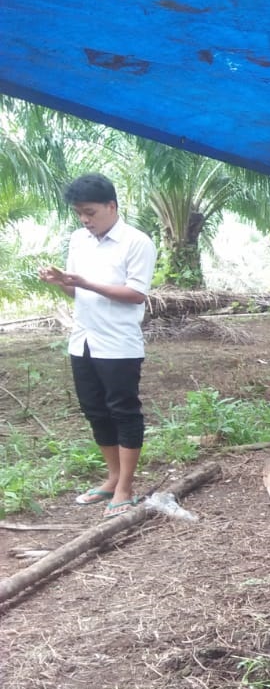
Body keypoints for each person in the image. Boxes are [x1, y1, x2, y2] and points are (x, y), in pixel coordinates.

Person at [38, 173, 158, 517]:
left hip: (118, 343)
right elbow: (76, 289)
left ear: (111, 206)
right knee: (95, 410)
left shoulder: (137, 242)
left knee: (123, 410)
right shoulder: (79, 240)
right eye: (79, 214)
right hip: (83, 339)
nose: (85, 220)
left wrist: (87, 282)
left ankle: (125, 487)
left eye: (90, 212)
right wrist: (61, 282)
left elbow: (136, 294)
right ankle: (112, 477)